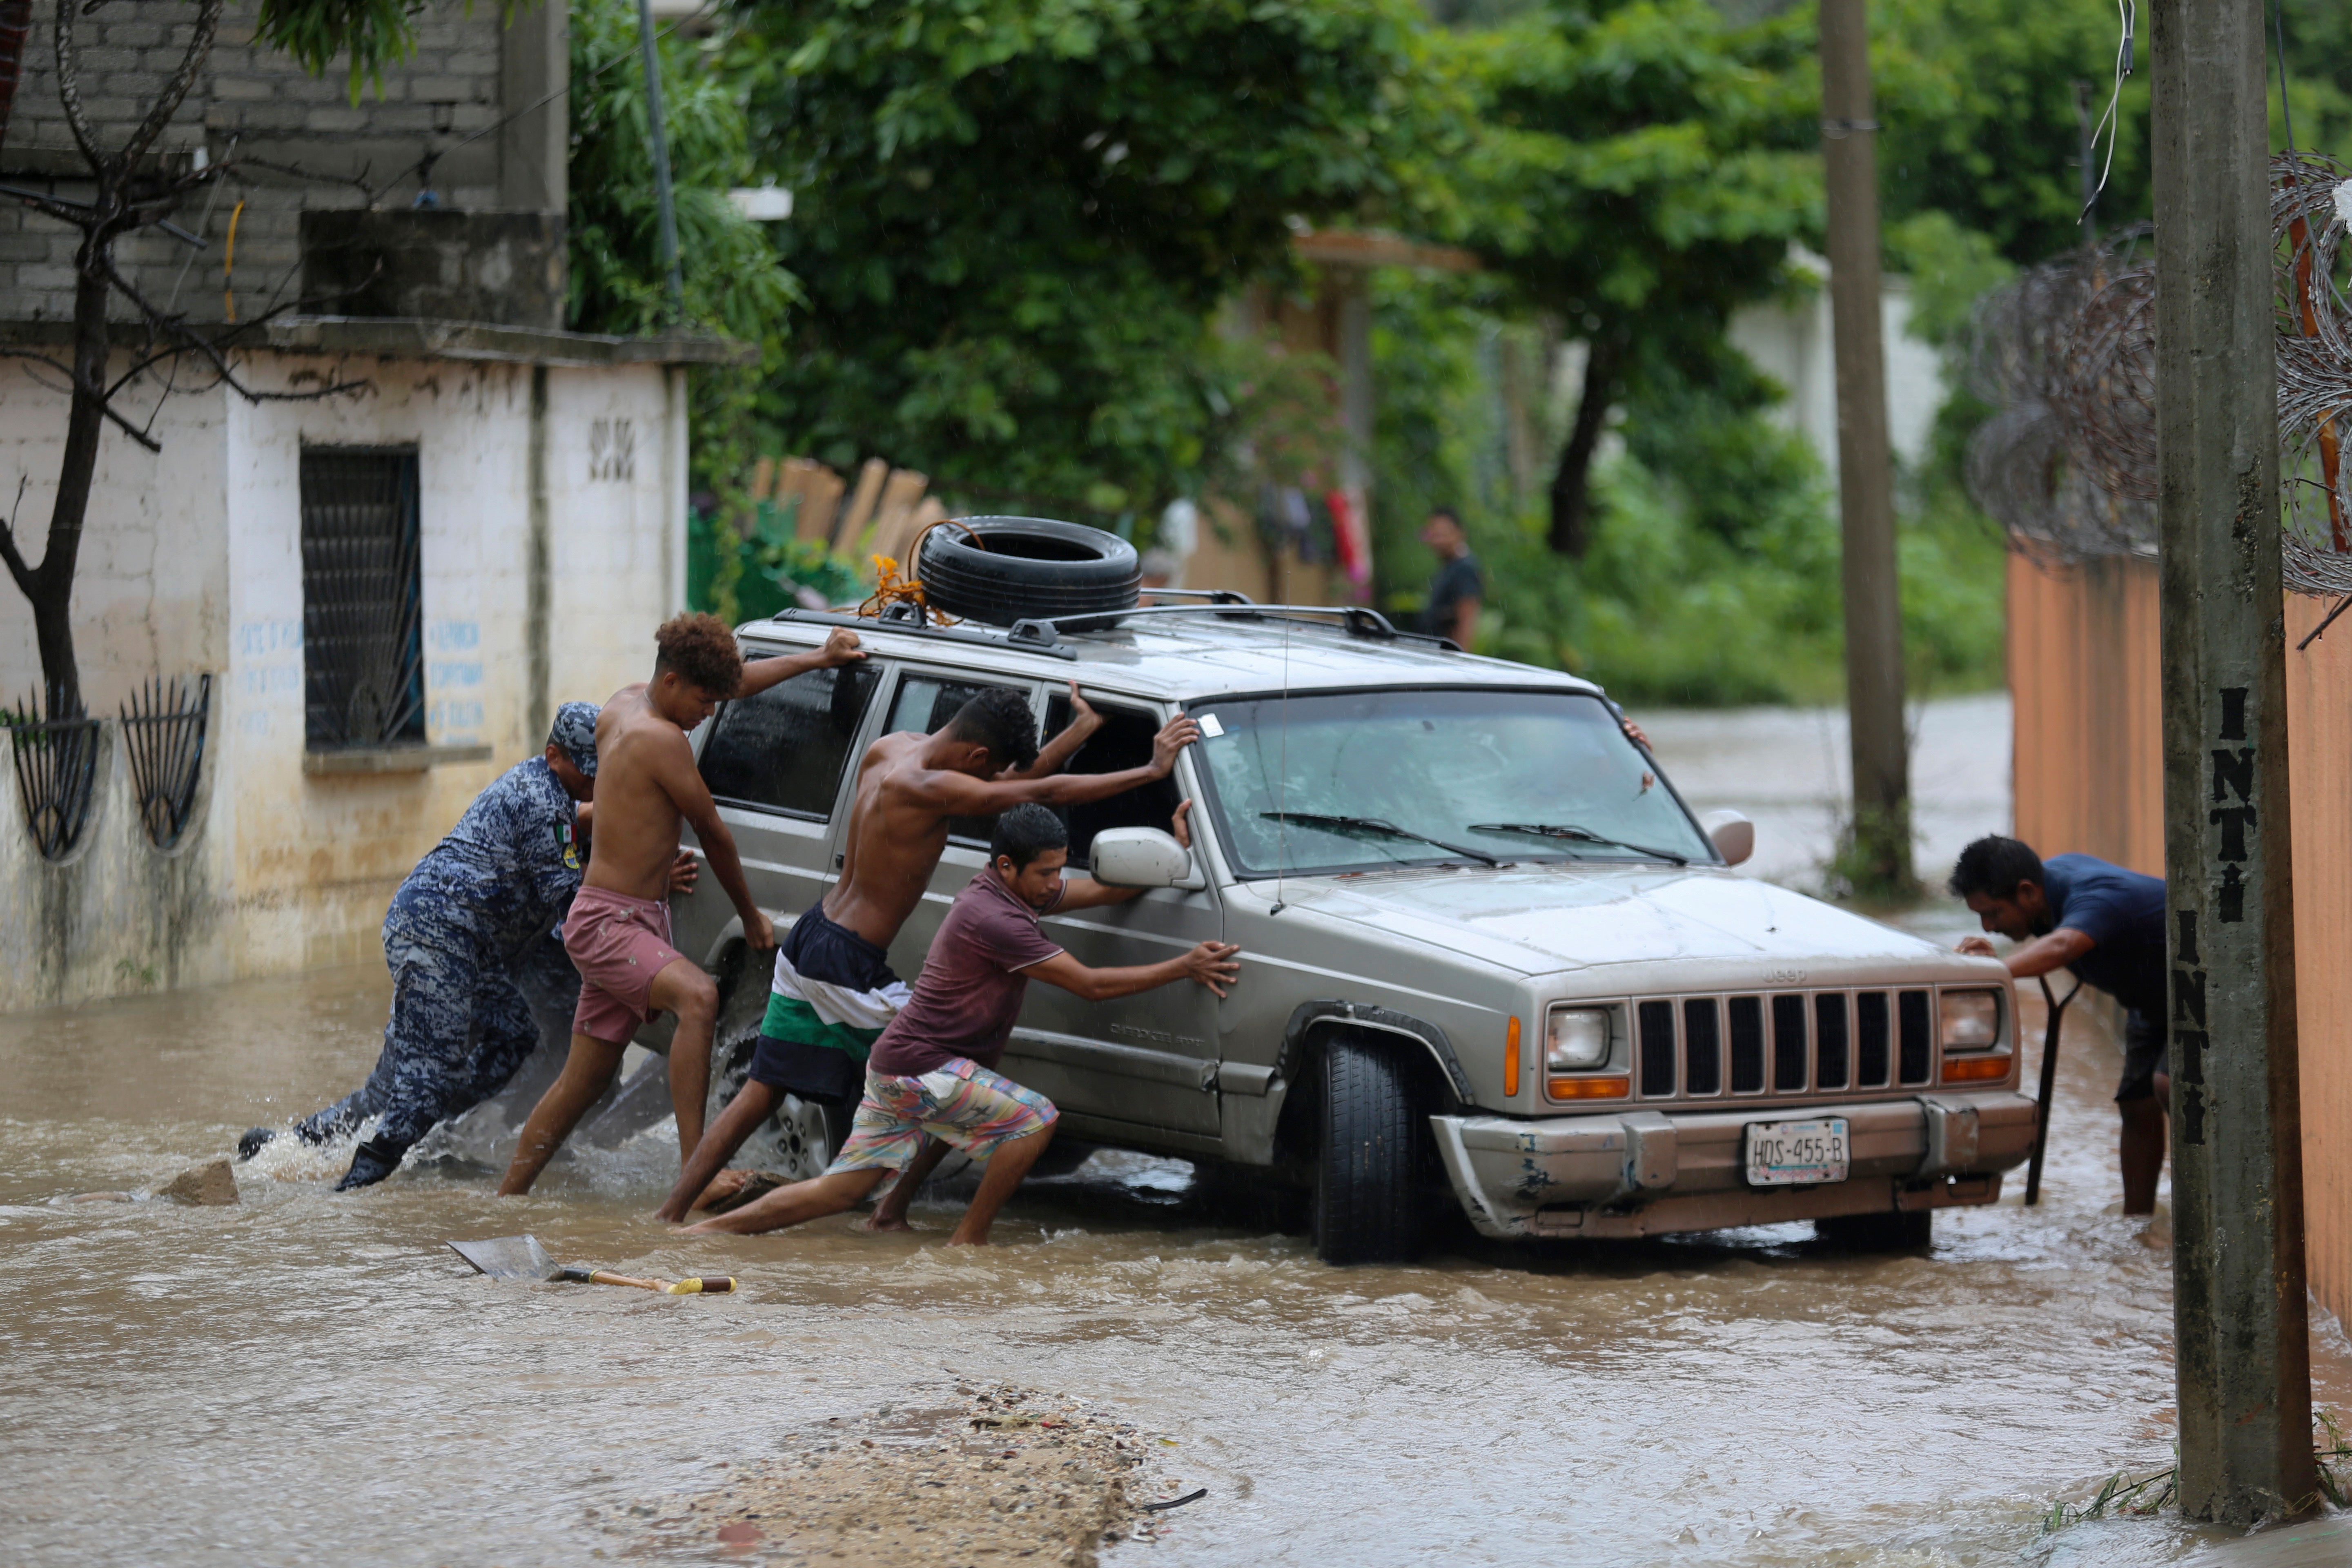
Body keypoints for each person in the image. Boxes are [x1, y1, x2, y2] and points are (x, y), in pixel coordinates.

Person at [653, 682, 1199, 1221]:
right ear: (976, 756)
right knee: (950, 1067)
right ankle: (887, 1208)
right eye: (990, 770)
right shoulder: (928, 787)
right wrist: (1152, 771)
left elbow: (1014, 785)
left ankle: (673, 1214)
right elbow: (1042, 792)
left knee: (763, 1092)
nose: (992, 781)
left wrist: (1080, 730)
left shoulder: (892, 748)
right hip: (847, 964)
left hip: (812, 936)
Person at [679, 804, 1240, 1244]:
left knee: (839, 1192)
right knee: (1035, 1120)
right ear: (1007, 867)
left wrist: (1174, 859)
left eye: (1058, 870)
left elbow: (1101, 890)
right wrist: (1185, 966)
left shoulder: (1007, 893)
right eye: (1046, 872)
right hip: (918, 1069)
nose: (1055, 883)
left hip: (905, 1067)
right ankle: (968, 1242)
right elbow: (1089, 985)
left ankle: (705, 1237)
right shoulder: (997, 920)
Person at [237, 704, 697, 1189]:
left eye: (600, 772)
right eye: (587, 772)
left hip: (467, 947)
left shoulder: (555, 793)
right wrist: (650, 881)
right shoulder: (542, 804)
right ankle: (349, 1190)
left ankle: (293, 1146)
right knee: (427, 1080)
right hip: (438, 936)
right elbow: (576, 906)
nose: (595, 782)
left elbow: (582, 833)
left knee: (503, 1041)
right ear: (553, 756)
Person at [497, 616, 866, 1196]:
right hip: (611, 922)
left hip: (615, 916)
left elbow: (735, 685)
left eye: (716, 699)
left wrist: (819, 659)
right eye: (703, 700)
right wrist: (750, 915)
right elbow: (713, 832)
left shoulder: (623, 705)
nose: (711, 712)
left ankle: (508, 1199)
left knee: (583, 1082)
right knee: (699, 998)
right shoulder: (661, 740)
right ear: (672, 682)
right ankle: (699, 1177)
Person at [1949, 835, 2169, 1214]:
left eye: (1994, 913)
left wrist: (1994, 972)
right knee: (2136, 1104)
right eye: (1980, 916)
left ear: (2027, 892)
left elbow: (2063, 946)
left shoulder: (2097, 896)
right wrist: (1998, 960)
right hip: (2149, 1002)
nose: (1987, 926)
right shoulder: (2043, 887)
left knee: (2166, 1085)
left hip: (2198, 985)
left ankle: (2211, 1212)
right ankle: (2139, 1224)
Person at [1420, 506, 1481, 649]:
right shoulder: (1449, 567)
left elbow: (1466, 622)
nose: (1438, 541)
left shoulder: (1465, 569)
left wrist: (1457, 657)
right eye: (1434, 535)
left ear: (1460, 533)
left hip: (1446, 657)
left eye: (1443, 535)